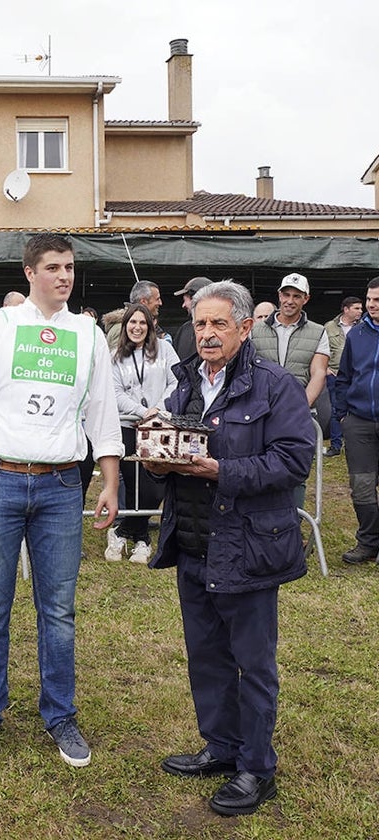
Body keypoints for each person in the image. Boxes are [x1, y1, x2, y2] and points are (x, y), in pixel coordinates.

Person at [0, 232, 122, 769]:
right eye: (54, 267)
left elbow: (102, 414)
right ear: (29, 273)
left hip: (63, 486)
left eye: (70, 267)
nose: (65, 276)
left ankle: (60, 714)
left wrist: (108, 481)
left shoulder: (88, 334)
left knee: (57, 610)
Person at [149, 280, 314, 817]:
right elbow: (173, 447)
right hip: (195, 542)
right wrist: (156, 458)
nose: (208, 333)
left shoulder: (275, 386)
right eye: (201, 323)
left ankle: (256, 768)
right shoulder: (185, 386)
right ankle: (220, 748)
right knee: (207, 657)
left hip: (248, 547)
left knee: (253, 664)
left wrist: (224, 470)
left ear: (245, 328)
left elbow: (293, 461)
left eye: (220, 323)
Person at [104, 304, 179, 563]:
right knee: (132, 480)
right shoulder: (114, 355)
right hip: (127, 425)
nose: (137, 327)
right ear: (125, 326)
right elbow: (114, 393)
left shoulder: (165, 349)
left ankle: (125, 530)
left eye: (142, 323)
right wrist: (141, 411)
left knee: (153, 486)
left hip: (158, 426)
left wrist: (157, 409)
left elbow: (176, 381)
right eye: (132, 322)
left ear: (150, 326)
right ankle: (142, 538)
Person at [250, 273, 327, 511]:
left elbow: (319, 373)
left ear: (306, 299)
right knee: (258, 469)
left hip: (300, 414)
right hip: (261, 412)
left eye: (297, 296)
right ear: (279, 295)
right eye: (286, 294)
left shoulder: (319, 331)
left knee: (295, 472)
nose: (290, 300)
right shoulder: (256, 329)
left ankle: (292, 528)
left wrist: (298, 407)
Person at [333, 277, 379, 565]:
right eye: (370, 300)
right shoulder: (356, 335)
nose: (373, 305)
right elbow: (344, 377)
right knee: (361, 485)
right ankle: (368, 542)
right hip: (359, 421)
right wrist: (342, 414)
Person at [323, 295, 363, 457]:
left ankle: (355, 445)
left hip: (358, 376)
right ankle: (335, 445)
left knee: (358, 411)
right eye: (357, 308)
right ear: (346, 309)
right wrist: (324, 368)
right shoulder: (329, 327)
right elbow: (321, 348)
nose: (361, 311)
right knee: (336, 410)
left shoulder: (365, 327)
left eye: (361, 308)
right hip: (335, 375)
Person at [103, 280, 165, 349]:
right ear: (143, 302)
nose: (160, 303)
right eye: (157, 299)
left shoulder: (151, 326)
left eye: (142, 323)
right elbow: (118, 357)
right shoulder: (121, 328)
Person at [171, 277, 212, 360]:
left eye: (185, 300)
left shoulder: (221, 331)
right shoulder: (184, 329)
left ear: (196, 299)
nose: (183, 305)